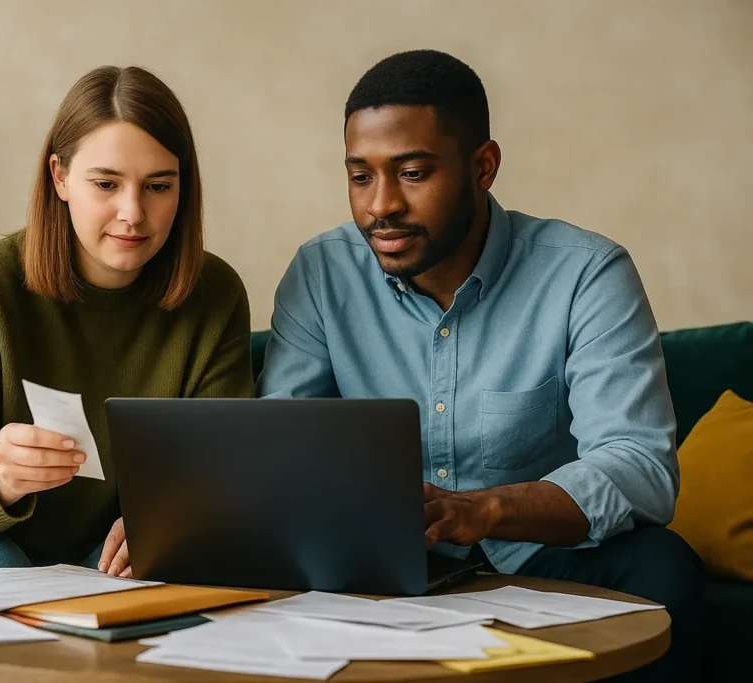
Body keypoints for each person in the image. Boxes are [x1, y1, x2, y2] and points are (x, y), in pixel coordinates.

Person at [257, 49, 704, 681]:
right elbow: (277, 444)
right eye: (360, 176)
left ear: (483, 166)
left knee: (663, 566)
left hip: (541, 555)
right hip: (380, 566)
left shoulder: (585, 272)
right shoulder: (321, 273)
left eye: (413, 173)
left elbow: (639, 464)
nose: (381, 205)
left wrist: (485, 510)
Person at [0, 65, 255, 596]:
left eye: (158, 186)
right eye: (106, 184)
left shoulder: (214, 295)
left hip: (94, 563)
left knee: (175, 564)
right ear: (60, 177)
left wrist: (170, 521)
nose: (133, 213)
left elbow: (221, 473)